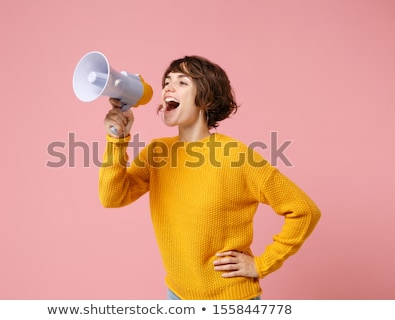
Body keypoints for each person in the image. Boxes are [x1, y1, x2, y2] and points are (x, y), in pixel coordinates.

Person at [99, 55, 321, 300]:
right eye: (167, 82)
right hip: (177, 295)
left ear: (206, 98)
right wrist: (116, 139)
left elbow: (305, 210)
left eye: (182, 82)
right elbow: (112, 197)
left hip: (230, 300)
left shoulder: (236, 156)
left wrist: (262, 264)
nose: (168, 88)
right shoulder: (157, 153)